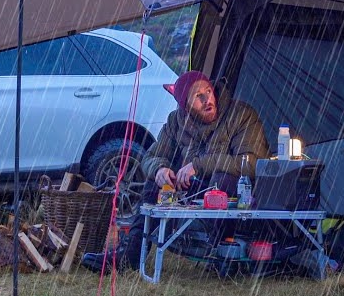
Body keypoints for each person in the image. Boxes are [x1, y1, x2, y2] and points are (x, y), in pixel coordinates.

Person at [81, 70, 269, 273]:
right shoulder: (176, 122)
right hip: (193, 189)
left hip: (234, 193)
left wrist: (199, 165)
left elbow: (251, 163)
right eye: (198, 96)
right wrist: (160, 169)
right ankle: (132, 254)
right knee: (154, 184)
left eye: (208, 91)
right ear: (185, 105)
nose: (208, 100)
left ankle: (222, 252)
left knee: (222, 180)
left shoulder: (240, 115)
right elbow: (150, 158)